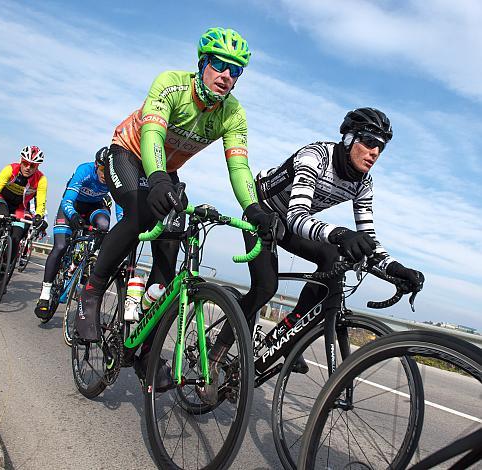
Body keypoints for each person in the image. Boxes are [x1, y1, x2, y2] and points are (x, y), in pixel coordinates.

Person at [75, 27, 281, 386]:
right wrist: (156, 178)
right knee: (140, 212)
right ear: (202, 63)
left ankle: (148, 353)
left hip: (165, 170)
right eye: (219, 65)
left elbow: (239, 166)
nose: (227, 76)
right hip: (128, 154)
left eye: (236, 71)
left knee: (173, 245)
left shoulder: (232, 114)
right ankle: (91, 292)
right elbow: (152, 134)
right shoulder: (170, 84)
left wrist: (254, 209)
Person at [200, 107, 426, 403]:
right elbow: (296, 216)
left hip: (293, 224)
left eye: (380, 147)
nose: (374, 152)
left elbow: (368, 240)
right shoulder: (315, 157)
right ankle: (214, 360)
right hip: (263, 214)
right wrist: (340, 234)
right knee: (266, 287)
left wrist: (395, 269)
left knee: (334, 260)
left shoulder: (363, 183)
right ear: (348, 139)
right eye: (369, 142)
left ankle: (288, 335)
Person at [34, 147, 122, 320]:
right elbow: (67, 200)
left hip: (94, 208)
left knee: (104, 226)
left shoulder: (114, 179)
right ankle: (45, 294)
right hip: (72, 207)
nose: (105, 175)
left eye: (109, 172)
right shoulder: (85, 170)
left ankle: (87, 261)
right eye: (103, 170)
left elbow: (120, 211)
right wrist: (73, 216)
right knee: (60, 246)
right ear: (97, 165)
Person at [0, 146, 48, 266]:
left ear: (37, 166)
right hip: (3, 200)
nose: (28, 167)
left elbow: (41, 202)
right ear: (21, 160)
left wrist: (39, 216)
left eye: (32, 165)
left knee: (16, 237)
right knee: (2, 215)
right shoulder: (10, 169)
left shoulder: (41, 179)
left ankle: (4, 267)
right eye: (25, 163)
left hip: (20, 207)